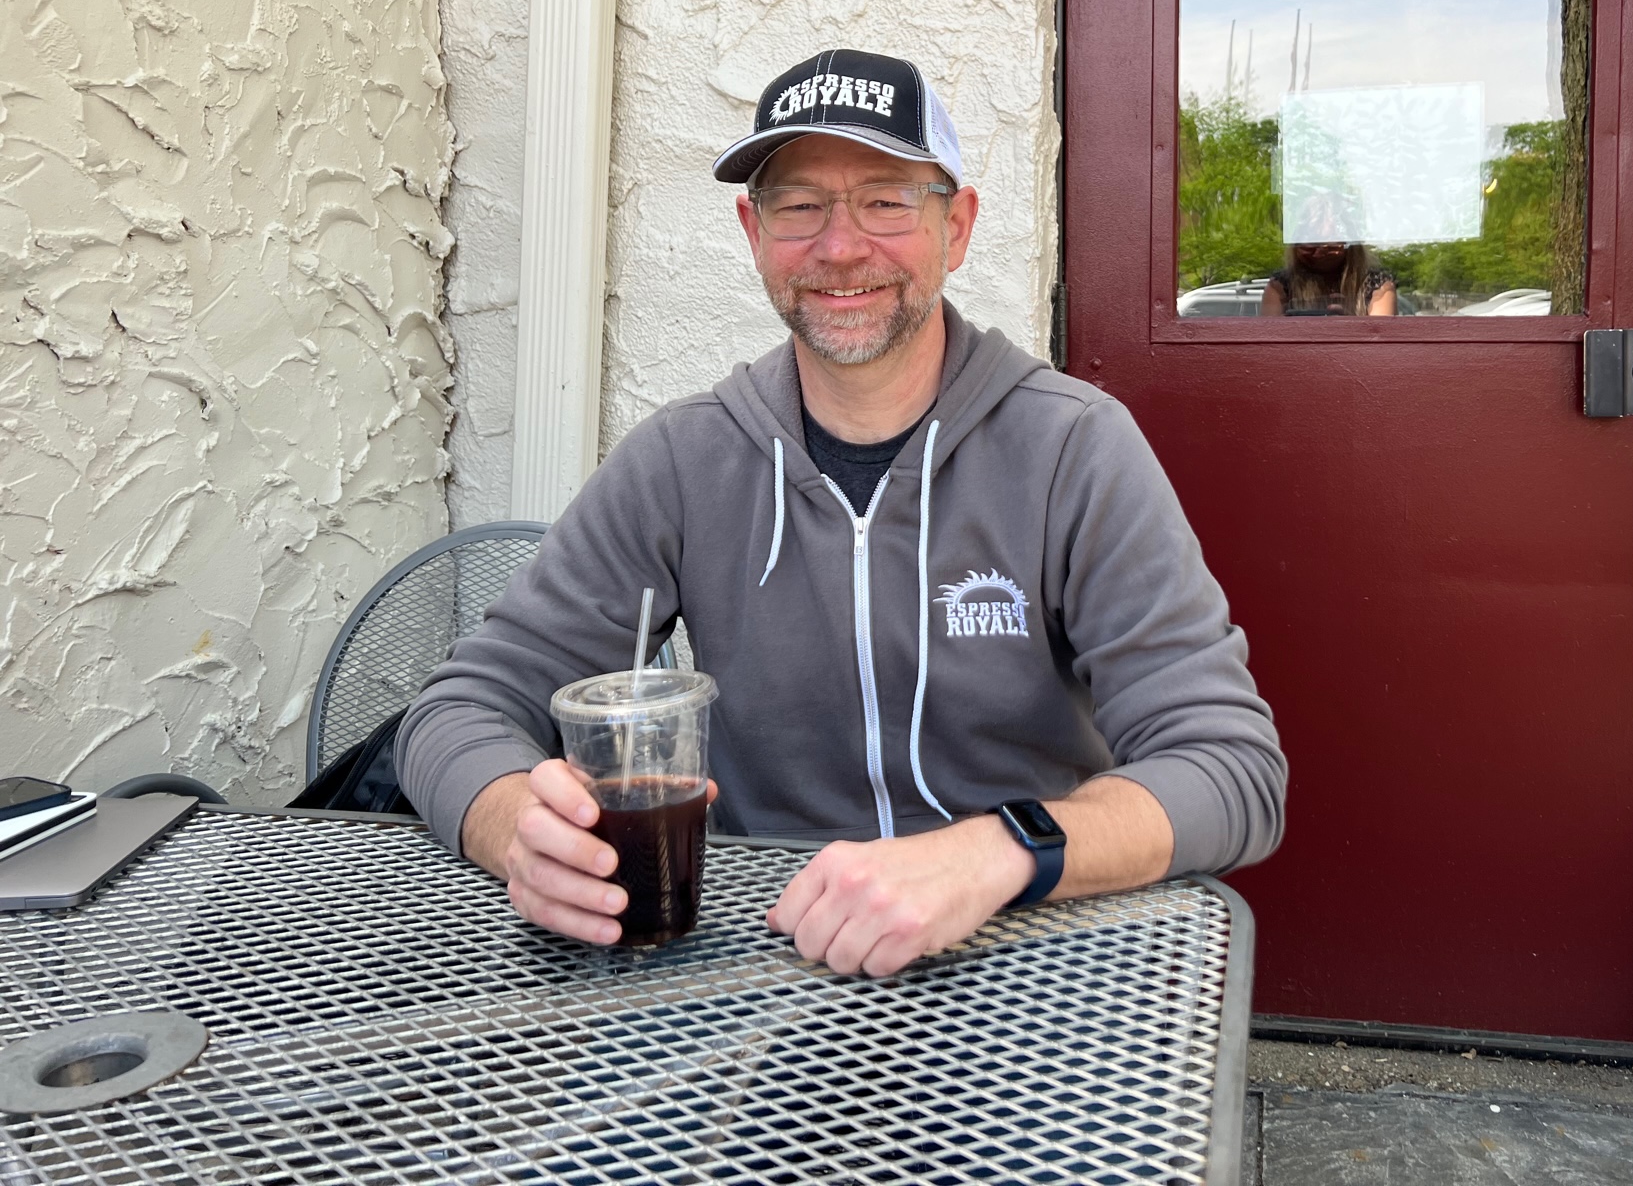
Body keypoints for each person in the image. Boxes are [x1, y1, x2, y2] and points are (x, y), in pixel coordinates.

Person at [397, 48, 1286, 978]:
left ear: (960, 225)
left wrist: (996, 851)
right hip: (761, 955)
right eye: (799, 204)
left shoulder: (1074, 449)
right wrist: (516, 830)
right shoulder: (685, 460)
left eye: (887, 199)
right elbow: (460, 710)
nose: (840, 245)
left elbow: (1229, 769)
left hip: (1029, 947)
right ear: (753, 230)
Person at [1259, 241, 1399, 316]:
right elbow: (1270, 345)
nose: (1320, 250)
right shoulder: (1281, 286)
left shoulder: (1377, 285)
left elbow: (1379, 344)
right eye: (1310, 242)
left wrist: (1350, 328)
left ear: (1350, 243)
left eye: (1330, 243)